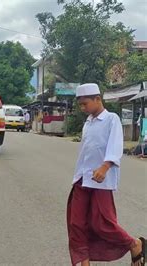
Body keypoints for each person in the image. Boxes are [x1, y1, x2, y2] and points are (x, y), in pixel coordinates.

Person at [66, 83, 145, 266]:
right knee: (76, 223)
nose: (82, 108)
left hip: (102, 181)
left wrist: (105, 166)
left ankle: (134, 244)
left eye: (85, 103)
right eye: (80, 104)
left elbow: (115, 145)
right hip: (82, 179)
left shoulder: (112, 119)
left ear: (97, 99)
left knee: (103, 223)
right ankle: (84, 263)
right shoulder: (88, 122)